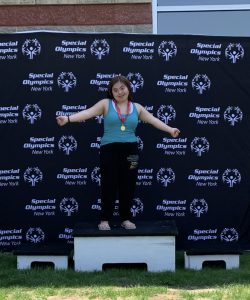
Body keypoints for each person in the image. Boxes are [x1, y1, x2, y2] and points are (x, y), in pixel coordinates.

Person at [56, 75, 180, 230]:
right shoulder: (106, 104)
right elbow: (88, 113)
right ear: (111, 93)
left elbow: (154, 120)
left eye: (122, 88)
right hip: (109, 150)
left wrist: (171, 129)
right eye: (115, 90)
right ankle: (104, 219)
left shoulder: (137, 107)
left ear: (128, 88)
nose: (119, 92)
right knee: (108, 184)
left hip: (132, 151)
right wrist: (68, 118)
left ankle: (126, 218)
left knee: (129, 184)